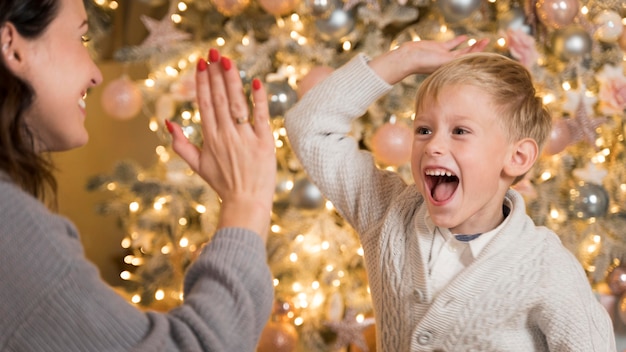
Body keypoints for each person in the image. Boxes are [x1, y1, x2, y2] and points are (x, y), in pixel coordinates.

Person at [285, 36, 616, 351]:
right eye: (424, 130)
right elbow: (310, 126)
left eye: (460, 131)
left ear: (517, 157)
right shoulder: (386, 214)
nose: (433, 145)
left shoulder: (546, 265)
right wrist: (404, 59)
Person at [0, 0, 276, 351]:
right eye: (81, 38)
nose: (96, 74)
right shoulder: (9, 225)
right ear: (12, 45)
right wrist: (246, 203)